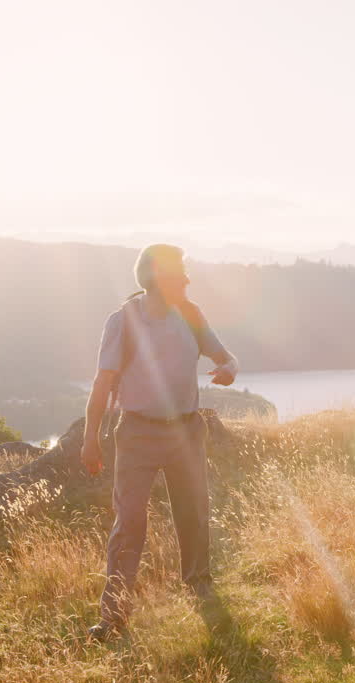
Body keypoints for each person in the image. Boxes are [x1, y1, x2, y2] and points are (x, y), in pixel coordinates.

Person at [81, 244, 239, 642]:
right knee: (129, 522)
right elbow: (102, 383)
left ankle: (201, 593)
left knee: (194, 514)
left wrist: (227, 370)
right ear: (156, 278)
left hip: (185, 429)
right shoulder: (123, 321)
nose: (187, 279)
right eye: (179, 273)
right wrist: (90, 439)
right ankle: (113, 616)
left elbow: (227, 358)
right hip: (137, 433)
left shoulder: (191, 314)